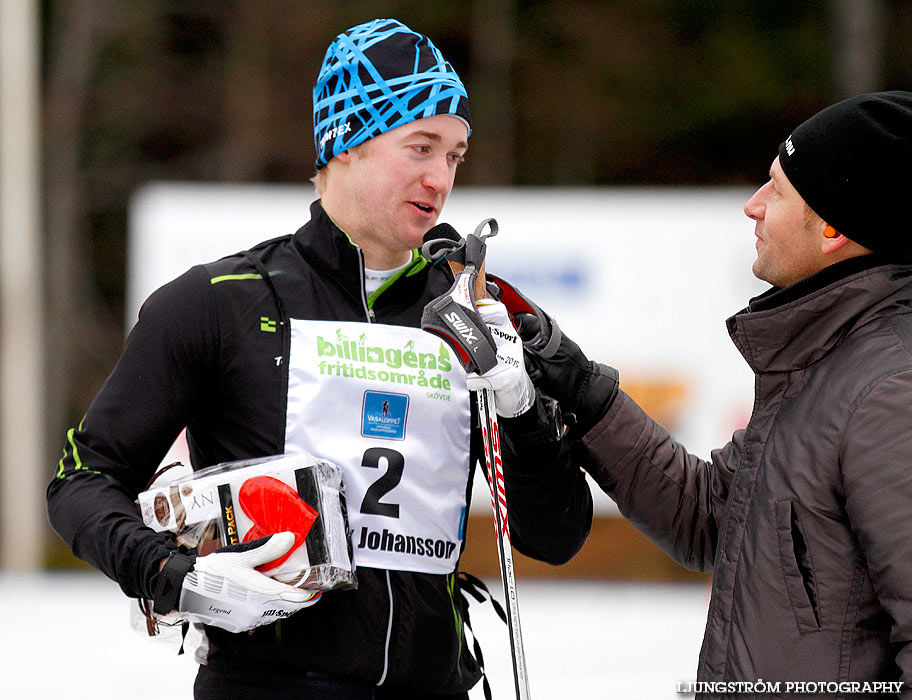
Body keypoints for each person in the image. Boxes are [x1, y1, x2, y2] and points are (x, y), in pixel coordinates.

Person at [47, 18, 592, 700]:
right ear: (347, 143)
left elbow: (557, 533)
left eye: (454, 155)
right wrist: (172, 575)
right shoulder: (220, 302)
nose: (440, 177)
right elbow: (82, 480)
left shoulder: (472, 316)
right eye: (420, 146)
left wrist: (521, 409)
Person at [518, 91, 912, 696]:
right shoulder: (826, 367)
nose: (753, 206)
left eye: (777, 190)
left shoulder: (889, 389)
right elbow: (710, 517)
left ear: (835, 228)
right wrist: (579, 387)